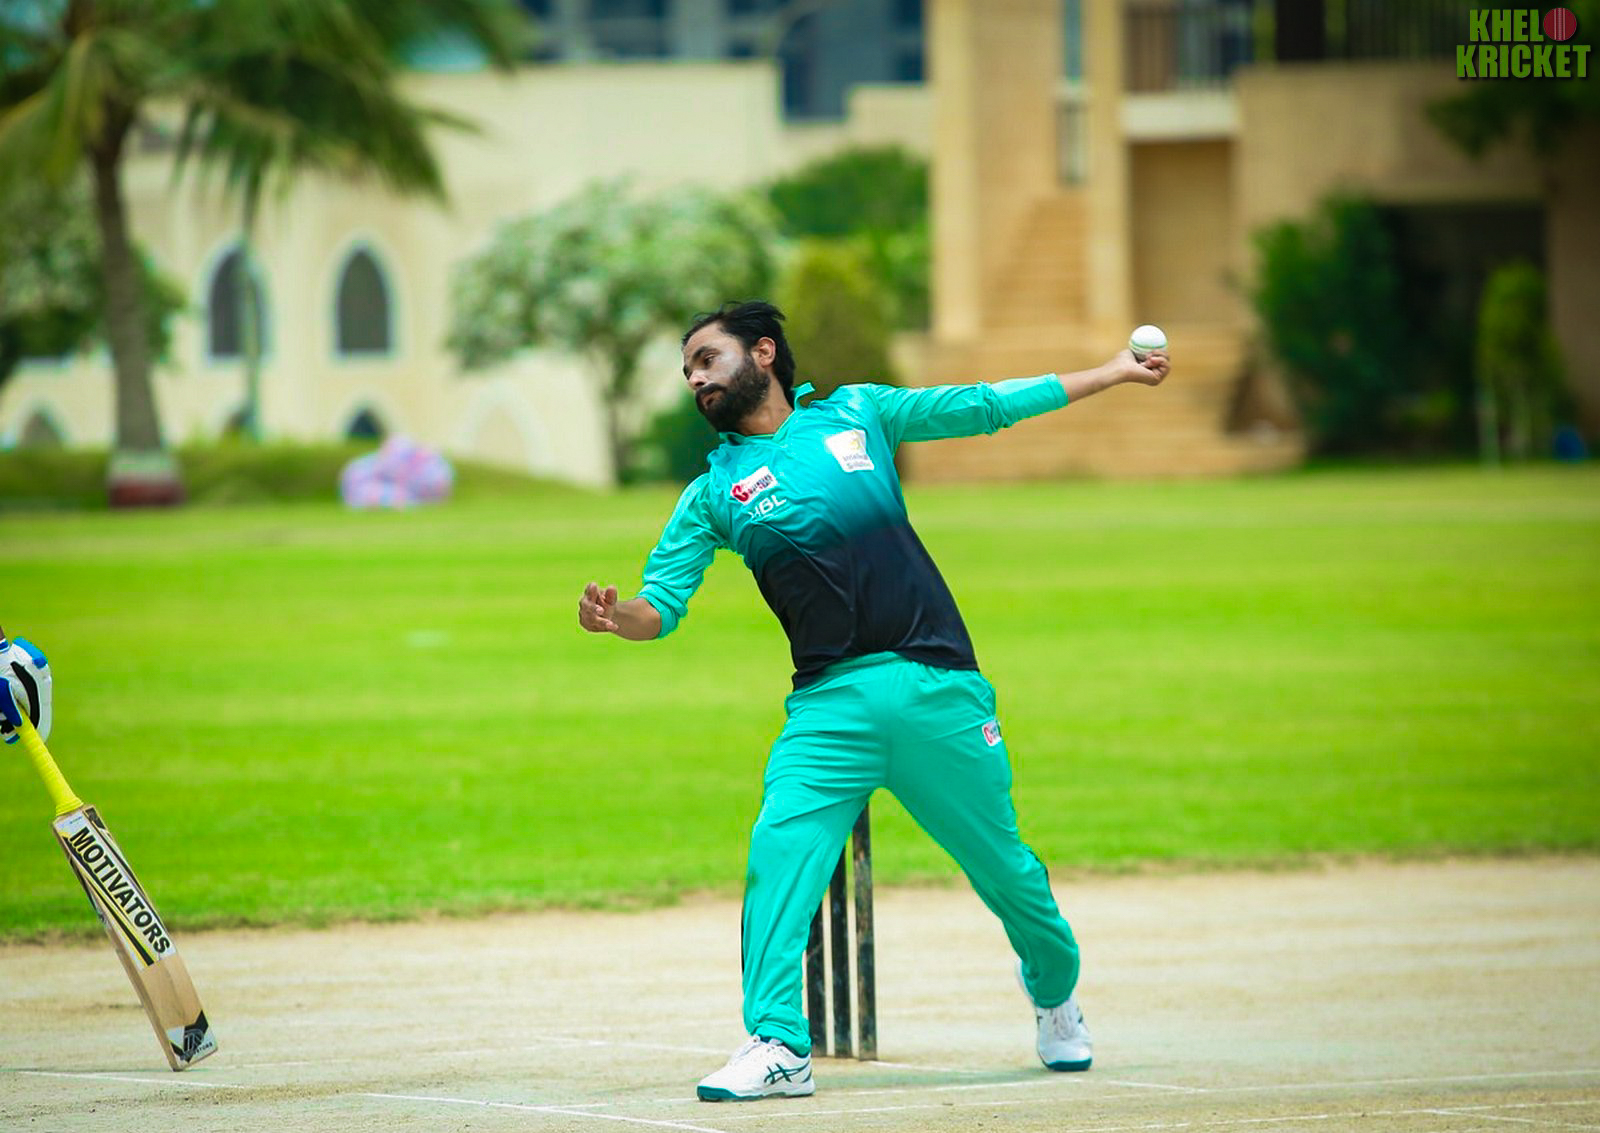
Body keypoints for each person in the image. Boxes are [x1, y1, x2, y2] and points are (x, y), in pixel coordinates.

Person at [577, 301, 1170, 1102]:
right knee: (778, 856)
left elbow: (984, 405)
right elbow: (661, 604)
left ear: (763, 352)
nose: (695, 379)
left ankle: (1055, 990)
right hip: (829, 707)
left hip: (940, 688)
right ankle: (779, 1043)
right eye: (687, 371)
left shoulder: (859, 412)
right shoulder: (713, 491)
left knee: (1008, 870)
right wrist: (619, 618)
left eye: (707, 359)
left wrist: (1112, 371)